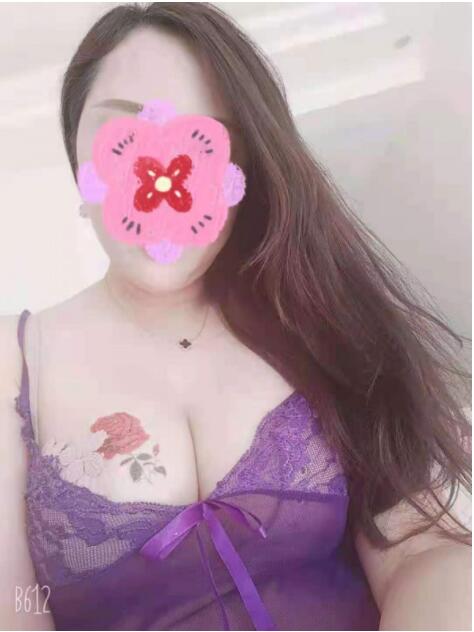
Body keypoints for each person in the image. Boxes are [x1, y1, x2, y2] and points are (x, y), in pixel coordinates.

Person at [0, 3, 471, 630]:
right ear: (76, 161)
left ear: (243, 171)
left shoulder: (311, 316)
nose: (163, 176)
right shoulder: (15, 363)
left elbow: (421, 549)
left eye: (203, 142)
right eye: (125, 137)